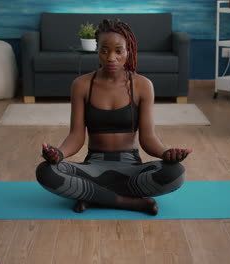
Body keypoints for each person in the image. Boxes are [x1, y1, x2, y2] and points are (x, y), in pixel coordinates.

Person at [35, 18, 191, 215]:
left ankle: (92, 197)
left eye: (118, 51)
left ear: (129, 51)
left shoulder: (143, 85)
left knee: (176, 173)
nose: (111, 57)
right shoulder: (81, 85)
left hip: (131, 170)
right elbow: (76, 136)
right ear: (97, 50)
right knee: (46, 171)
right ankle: (130, 202)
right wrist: (59, 154)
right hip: (92, 169)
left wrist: (166, 154)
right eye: (104, 50)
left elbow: (148, 138)